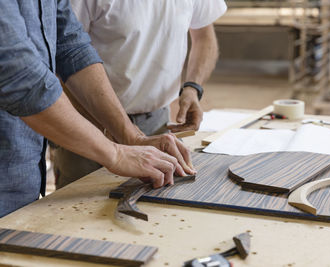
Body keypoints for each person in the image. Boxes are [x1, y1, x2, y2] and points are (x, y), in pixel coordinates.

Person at [0, 0, 194, 218]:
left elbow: (71, 46)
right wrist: (115, 154)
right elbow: (19, 78)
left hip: (22, 177)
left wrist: (132, 137)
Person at [53, 0, 227, 188]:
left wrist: (193, 88)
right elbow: (65, 58)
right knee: (80, 208)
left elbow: (204, 36)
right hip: (92, 126)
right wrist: (111, 133)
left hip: (158, 124)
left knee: (159, 208)